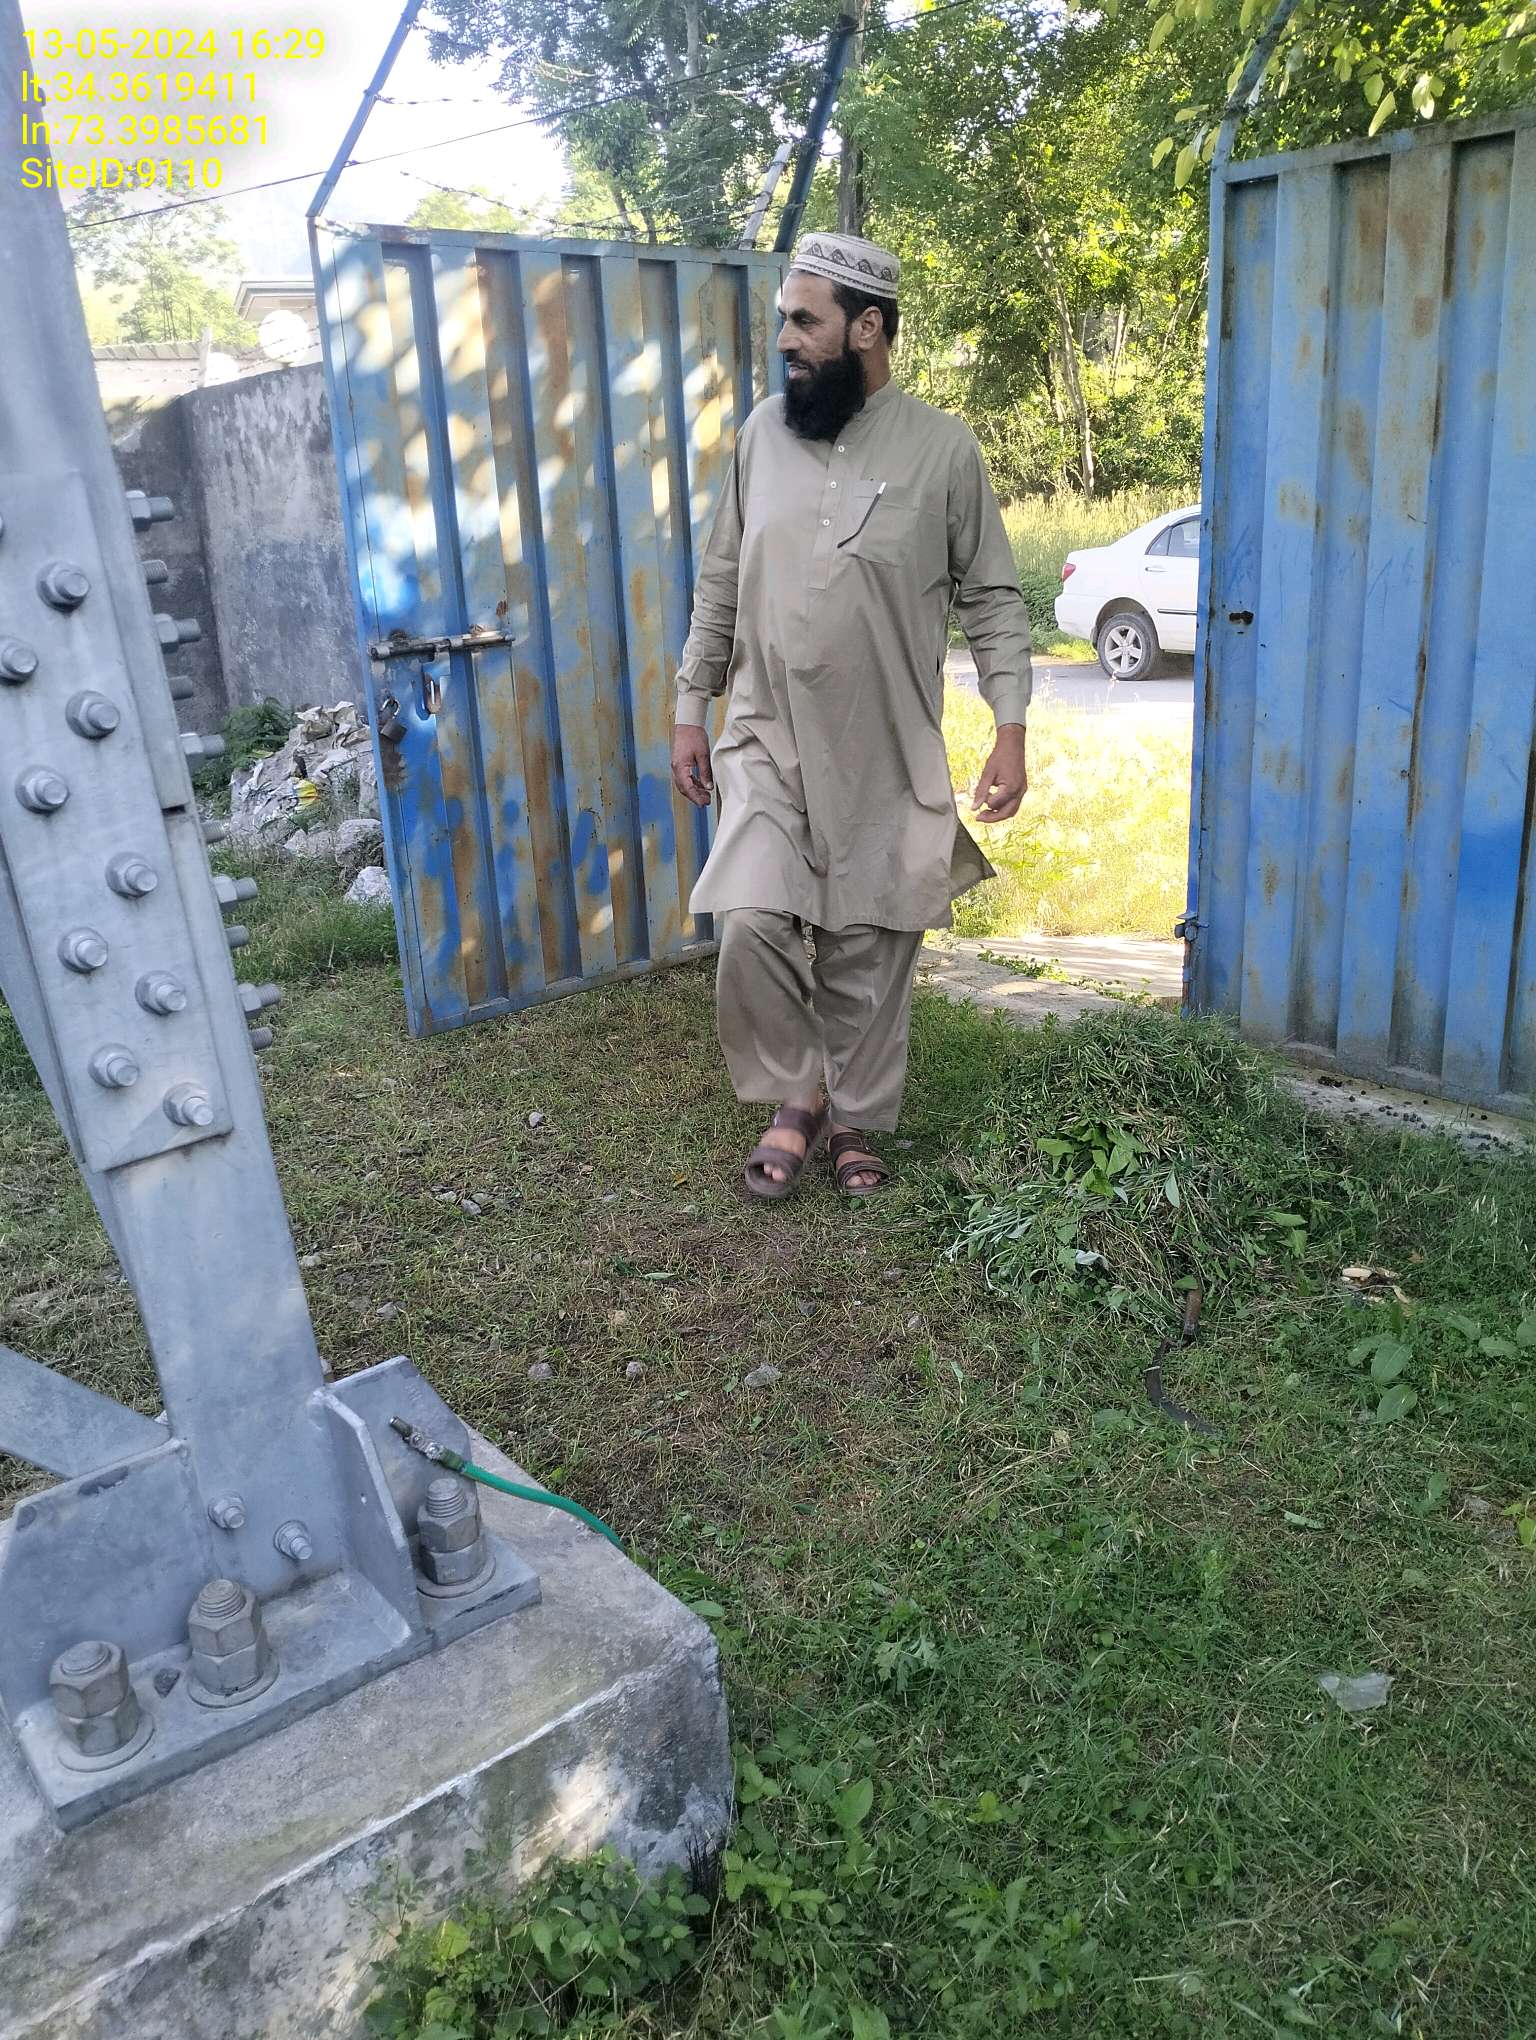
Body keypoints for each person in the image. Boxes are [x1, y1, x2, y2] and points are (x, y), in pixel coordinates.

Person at [670, 230, 1031, 1201]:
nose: (785, 339)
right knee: (749, 919)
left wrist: (1010, 727)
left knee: (866, 944)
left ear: (867, 328)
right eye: (783, 319)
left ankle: (853, 1114)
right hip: (766, 734)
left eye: (804, 320)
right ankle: (799, 1091)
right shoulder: (761, 436)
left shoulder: (943, 450)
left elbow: (992, 598)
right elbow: (720, 581)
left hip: (885, 742)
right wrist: (691, 704)